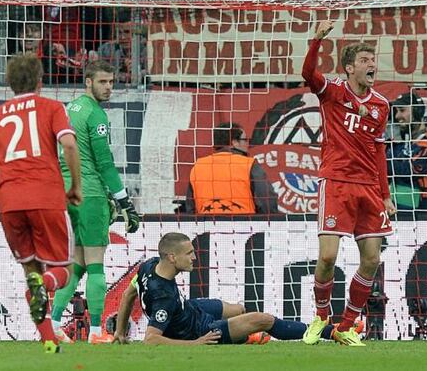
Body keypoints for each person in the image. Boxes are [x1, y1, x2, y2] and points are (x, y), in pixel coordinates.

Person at [0, 53, 83, 354]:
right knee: (62, 270)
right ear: (40, 80)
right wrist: (75, 186)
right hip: (45, 196)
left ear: (8, 83)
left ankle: (48, 341)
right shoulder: (51, 107)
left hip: (9, 202)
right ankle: (44, 287)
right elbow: (70, 144)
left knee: (31, 270)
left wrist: (8, 176)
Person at [300, 19, 396, 347]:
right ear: (350, 67)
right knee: (327, 257)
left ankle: (347, 324)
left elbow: (378, 151)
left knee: (372, 259)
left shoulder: (381, 105)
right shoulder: (332, 92)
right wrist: (316, 41)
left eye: (374, 61)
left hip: (368, 187)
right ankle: (321, 316)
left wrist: (385, 195)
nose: (373, 65)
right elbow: (308, 75)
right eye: (366, 61)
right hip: (336, 182)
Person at [113, 232, 360, 345]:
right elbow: (151, 339)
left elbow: (127, 295)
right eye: (189, 254)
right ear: (172, 258)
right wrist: (196, 344)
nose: (194, 258)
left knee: (238, 308)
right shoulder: (163, 297)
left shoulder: (149, 265)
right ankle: (331, 332)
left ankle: (245, 338)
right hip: (196, 330)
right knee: (262, 319)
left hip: (190, 309)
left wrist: (120, 333)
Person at [50, 61, 141, 345]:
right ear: (88, 81)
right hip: (89, 195)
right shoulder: (96, 116)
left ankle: (52, 325)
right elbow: (105, 164)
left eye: (112, 82)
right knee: (96, 263)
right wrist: (125, 203)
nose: (109, 87)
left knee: (76, 264)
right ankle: (96, 331)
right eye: (103, 82)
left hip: (65, 195)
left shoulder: (67, 109)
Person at [185, 122, 278, 215]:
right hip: (244, 226)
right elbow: (267, 199)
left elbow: (190, 207)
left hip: (207, 226)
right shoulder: (248, 164)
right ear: (234, 142)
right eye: (245, 140)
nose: (248, 144)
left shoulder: (198, 167)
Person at [386, 92, 427, 212]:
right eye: (396, 112)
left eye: (402, 110)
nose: (397, 116)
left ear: (417, 111)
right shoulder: (399, 139)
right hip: (396, 213)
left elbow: (410, 169)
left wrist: (386, 159)